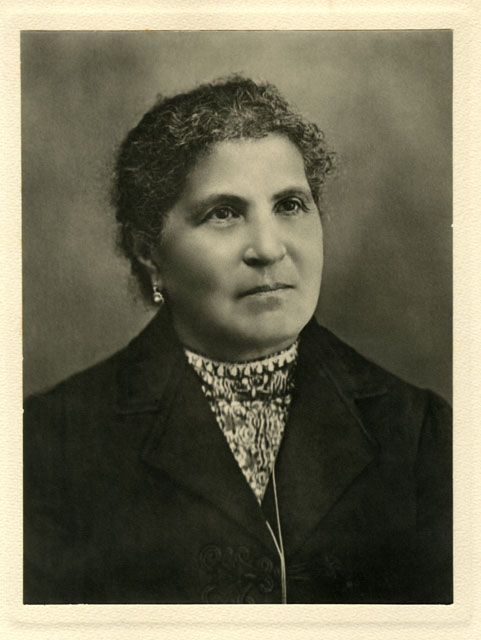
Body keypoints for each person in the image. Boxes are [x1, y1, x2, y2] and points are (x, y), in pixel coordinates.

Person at [23, 76, 452, 605]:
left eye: (290, 205)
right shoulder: (51, 444)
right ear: (148, 251)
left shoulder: (421, 432)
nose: (268, 249)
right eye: (223, 213)